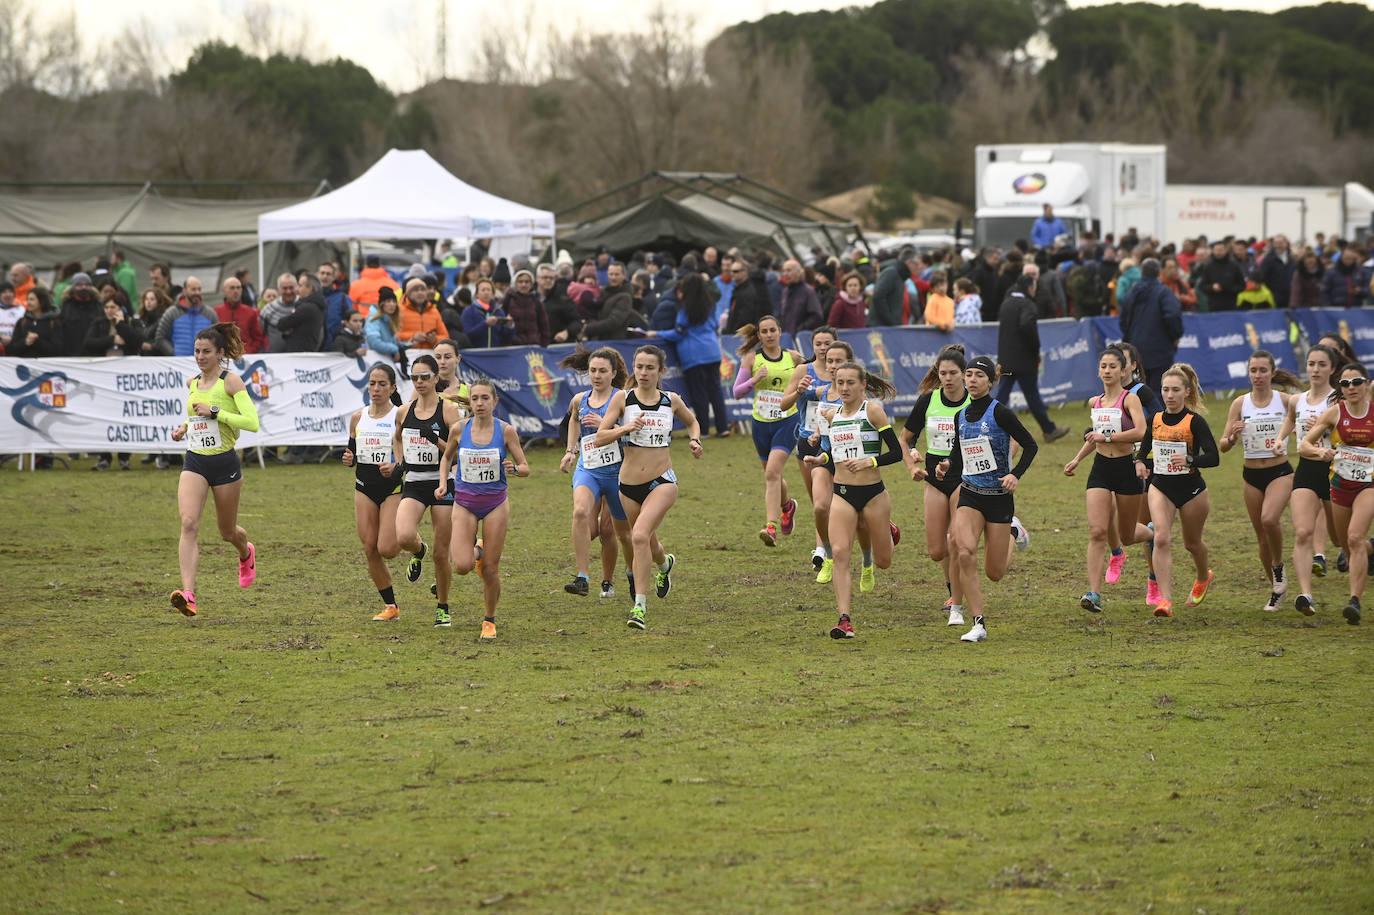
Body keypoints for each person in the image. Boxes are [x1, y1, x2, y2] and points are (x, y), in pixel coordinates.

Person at [593, 345, 704, 630]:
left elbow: (693, 423)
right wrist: (624, 429)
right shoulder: (623, 399)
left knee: (639, 536)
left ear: (661, 371)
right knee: (648, 541)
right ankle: (665, 564)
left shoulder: (671, 400)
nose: (643, 373)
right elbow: (599, 438)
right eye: (639, 367)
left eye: (649, 368)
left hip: (662, 481)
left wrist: (695, 440)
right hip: (628, 485)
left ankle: (639, 607)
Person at [801, 360, 911, 639]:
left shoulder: (872, 411)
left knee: (884, 561)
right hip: (843, 495)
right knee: (839, 554)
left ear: (863, 384)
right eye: (840, 383)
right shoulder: (833, 415)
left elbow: (896, 453)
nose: (845, 387)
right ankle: (844, 619)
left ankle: (887, 530)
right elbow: (836, 451)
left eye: (851, 382)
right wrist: (820, 458)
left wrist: (869, 462)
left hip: (874, 495)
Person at [935, 355, 1038, 643]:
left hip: (998, 498)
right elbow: (959, 456)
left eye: (979, 376)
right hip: (970, 494)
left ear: (991, 381)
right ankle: (978, 623)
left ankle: (1012, 531)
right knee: (964, 551)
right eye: (968, 375)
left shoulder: (1000, 413)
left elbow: (1031, 445)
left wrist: (1015, 474)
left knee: (995, 572)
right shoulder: (960, 416)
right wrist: (945, 466)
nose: (971, 380)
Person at [166, 323, 261, 617]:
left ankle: (246, 553)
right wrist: (183, 428)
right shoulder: (192, 383)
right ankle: (189, 594)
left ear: (220, 353)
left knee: (227, 531)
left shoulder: (230, 382)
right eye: (196, 351)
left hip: (225, 464)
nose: (200, 357)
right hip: (195, 461)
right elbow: (196, 419)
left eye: (206, 351)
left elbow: (252, 422)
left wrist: (216, 412)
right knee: (189, 523)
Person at [435, 379, 530, 641]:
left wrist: (515, 469)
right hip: (464, 502)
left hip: (495, 503)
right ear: (470, 402)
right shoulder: (458, 429)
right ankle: (476, 547)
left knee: (490, 568)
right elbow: (446, 458)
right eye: (475, 398)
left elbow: (525, 467)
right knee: (462, 566)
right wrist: (444, 483)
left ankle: (489, 620)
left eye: (485, 398)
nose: (479, 403)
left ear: (494, 402)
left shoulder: (506, 431)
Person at [1062, 348, 1155, 613]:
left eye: (1113, 366)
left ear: (1124, 370)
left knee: (1126, 535)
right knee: (1097, 531)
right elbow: (1096, 438)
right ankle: (1094, 593)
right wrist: (1077, 459)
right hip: (1100, 468)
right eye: (1103, 366)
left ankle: (1151, 533)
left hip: (1126, 468)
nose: (1107, 370)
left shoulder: (1130, 400)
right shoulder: (1095, 403)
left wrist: (1110, 438)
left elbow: (1141, 431)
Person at [1134, 363, 1217, 617]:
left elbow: (1213, 457)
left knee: (1192, 543)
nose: (1169, 395)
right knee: (1161, 537)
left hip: (1192, 490)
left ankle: (1203, 576)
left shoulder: (1195, 422)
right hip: (1161, 486)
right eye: (1165, 390)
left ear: (1187, 392)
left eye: (1175, 390)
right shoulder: (1155, 419)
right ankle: (1165, 600)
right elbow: (1144, 449)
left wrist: (1190, 460)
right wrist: (1139, 463)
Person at [1219, 350, 1300, 612]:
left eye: (1263, 370)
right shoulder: (1240, 404)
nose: (1258, 375)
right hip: (1251, 475)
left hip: (1280, 472)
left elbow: (1310, 424)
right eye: (1253, 370)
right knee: (1261, 539)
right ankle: (1278, 589)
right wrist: (1232, 436)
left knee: (1269, 519)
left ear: (1272, 373)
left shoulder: (1286, 401)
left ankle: (1278, 567)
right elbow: (1223, 445)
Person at [392, 355, 465, 628]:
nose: (420, 382)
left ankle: (443, 608)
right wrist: (400, 462)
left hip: (442, 482)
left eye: (425, 377)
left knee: (441, 552)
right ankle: (418, 550)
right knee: (403, 536)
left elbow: (456, 455)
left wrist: (435, 439)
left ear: (436, 378)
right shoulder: (404, 411)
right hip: (414, 482)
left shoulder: (447, 410)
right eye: (415, 377)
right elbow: (397, 437)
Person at [1300, 360, 1374, 625]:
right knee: (1345, 545)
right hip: (1341, 486)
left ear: (1366, 384)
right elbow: (1304, 446)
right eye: (1345, 383)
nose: (1351, 387)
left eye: (1356, 382)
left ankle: (1354, 601)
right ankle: (1369, 550)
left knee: (1354, 537)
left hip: (1369, 485)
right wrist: (1322, 452)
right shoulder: (1334, 413)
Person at [901, 345, 972, 621]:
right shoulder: (928, 401)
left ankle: (956, 598)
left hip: (964, 477)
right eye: (943, 373)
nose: (948, 378)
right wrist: (911, 466)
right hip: (933, 476)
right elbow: (904, 438)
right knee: (936, 550)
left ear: (964, 374)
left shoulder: (974, 401)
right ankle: (951, 587)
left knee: (956, 541)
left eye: (953, 373)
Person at [559, 347, 636, 599]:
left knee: (619, 533)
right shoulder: (579, 399)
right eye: (593, 370)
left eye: (603, 371)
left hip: (617, 473)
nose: (597, 375)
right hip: (588, 469)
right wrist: (571, 450)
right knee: (580, 512)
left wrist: (609, 426)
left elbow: (632, 431)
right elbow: (573, 420)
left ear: (613, 373)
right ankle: (582, 577)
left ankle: (627, 574)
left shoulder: (623, 398)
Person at [793, 341, 865, 585]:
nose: (833, 366)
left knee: (861, 517)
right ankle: (829, 556)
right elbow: (814, 415)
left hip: (851, 462)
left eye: (838, 361)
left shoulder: (859, 396)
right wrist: (815, 432)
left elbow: (865, 426)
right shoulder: (822, 393)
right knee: (820, 507)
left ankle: (880, 530)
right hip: (824, 457)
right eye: (829, 361)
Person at [340, 364, 405, 621]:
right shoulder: (358, 417)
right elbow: (352, 453)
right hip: (365, 487)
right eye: (372, 384)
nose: (375, 389)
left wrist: (396, 467)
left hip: (393, 488)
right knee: (370, 549)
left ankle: (412, 538)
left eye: (381, 384)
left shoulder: (400, 415)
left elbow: (410, 455)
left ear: (392, 388)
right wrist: (348, 459)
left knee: (388, 548)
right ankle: (391, 606)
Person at [1281, 344, 1342, 614]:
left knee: (1340, 539)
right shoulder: (1298, 399)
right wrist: (1281, 439)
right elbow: (1291, 420)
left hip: (1335, 472)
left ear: (1332, 369)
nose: (1315, 369)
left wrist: (1327, 425)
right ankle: (1306, 595)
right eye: (1311, 364)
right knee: (1303, 532)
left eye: (1321, 364)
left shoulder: (1339, 402)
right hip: (1306, 468)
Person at [733, 318, 805, 546]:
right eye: (764, 331)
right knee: (773, 475)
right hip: (761, 424)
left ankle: (771, 527)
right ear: (759, 336)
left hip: (788, 420)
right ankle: (787, 506)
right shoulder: (752, 359)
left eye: (773, 330)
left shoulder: (793, 357)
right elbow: (736, 392)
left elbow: (809, 376)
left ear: (780, 332)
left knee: (772, 473)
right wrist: (755, 379)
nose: (769, 334)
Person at [780, 326, 838, 569]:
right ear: (812, 347)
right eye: (818, 344)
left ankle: (821, 551)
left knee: (834, 498)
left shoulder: (843, 370)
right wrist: (799, 390)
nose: (823, 349)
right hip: (808, 440)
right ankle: (826, 544)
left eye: (827, 344)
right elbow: (784, 404)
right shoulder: (804, 370)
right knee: (818, 500)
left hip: (838, 440)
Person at [649, 272, 730, 438]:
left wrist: (656, 333)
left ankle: (704, 430)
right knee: (715, 390)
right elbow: (715, 324)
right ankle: (723, 427)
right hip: (713, 351)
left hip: (694, 354)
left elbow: (678, 333)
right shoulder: (710, 305)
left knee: (699, 392)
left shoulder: (686, 309)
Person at [994, 272, 1071, 442]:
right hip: (1024, 360)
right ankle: (1049, 430)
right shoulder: (1027, 305)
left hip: (1007, 359)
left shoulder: (1006, 303)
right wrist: (1035, 349)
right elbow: (1027, 325)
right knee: (1032, 396)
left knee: (1002, 395)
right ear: (1030, 288)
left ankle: (986, 424)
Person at [1119, 258, 1184, 393]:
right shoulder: (1163, 292)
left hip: (1136, 348)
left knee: (1140, 392)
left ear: (1142, 272)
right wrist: (1175, 336)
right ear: (1159, 272)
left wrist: (1130, 337)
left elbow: (1123, 320)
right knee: (1160, 391)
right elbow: (1172, 315)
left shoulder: (1131, 293)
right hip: (1160, 348)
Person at [153, 276, 218, 356]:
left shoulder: (210, 314)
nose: (197, 293)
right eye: (193, 289)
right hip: (179, 365)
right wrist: (173, 352)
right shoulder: (172, 313)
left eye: (199, 289)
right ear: (184, 291)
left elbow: (219, 339)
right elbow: (160, 338)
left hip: (204, 364)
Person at [214, 276, 265, 354]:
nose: (236, 291)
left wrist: (249, 351)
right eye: (232, 288)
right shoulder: (216, 312)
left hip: (246, 359)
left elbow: (258, 338)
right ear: (224, 291)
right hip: (222, 358)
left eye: (238, 288)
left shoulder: (250, 312)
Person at [462, 278, 516, 348]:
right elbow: (467, 335)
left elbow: (507, 339)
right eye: (483, 290)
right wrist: (485, 324)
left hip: (495, 354)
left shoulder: (499, 310)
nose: (486, 292)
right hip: (475, 355)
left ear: (493, 294)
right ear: (476, 294)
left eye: (488, 290)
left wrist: (510, 326)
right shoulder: (469, 311)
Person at [503, 269, 550, 346]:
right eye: (520, 281)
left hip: (534, 348)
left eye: (527, 282)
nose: (524, 284)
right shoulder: (507, 300)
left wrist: (543, 346)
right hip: (513, 348)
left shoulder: (537, 302)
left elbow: (544, 327)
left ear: (531, 284)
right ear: (515, 284)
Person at [365, 287, 403, 365]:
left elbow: (391, 343)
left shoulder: (389, 319)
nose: (392, 304)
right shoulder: (373, 319)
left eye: (394, 301)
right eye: (388, 301)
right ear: (382, 304)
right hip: (374, 362)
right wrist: (395, 349)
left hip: (385, 361)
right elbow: (374, 343)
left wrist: (409, 343)